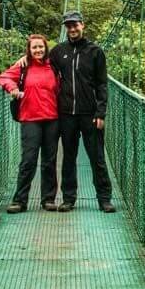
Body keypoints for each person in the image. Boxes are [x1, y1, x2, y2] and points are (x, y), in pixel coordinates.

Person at [48, 11, 115, 213]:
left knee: (97, 157)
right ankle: (69, 199)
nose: (72, 29)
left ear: (82, 25)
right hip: (67, 114)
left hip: (90, 114)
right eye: (68, 26)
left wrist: (101, 113)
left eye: (75, 25)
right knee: (68, 157)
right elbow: (41, 69)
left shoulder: (95, 52)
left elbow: (102, 84)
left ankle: (104, 199)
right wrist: (20, 64)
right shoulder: (58, 52)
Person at [0, 34, 61, 213]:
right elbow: (3, 77)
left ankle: (48, 199)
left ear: (46, 48)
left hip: (52, 119)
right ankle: (20, 201)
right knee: (28, 160)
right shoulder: (23, 67)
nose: (38, 50)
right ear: (29, 50)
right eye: (34, 48)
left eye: (41, 47)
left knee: (49, 161)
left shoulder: (54, 67)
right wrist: (14, 88)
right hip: (30, 119)